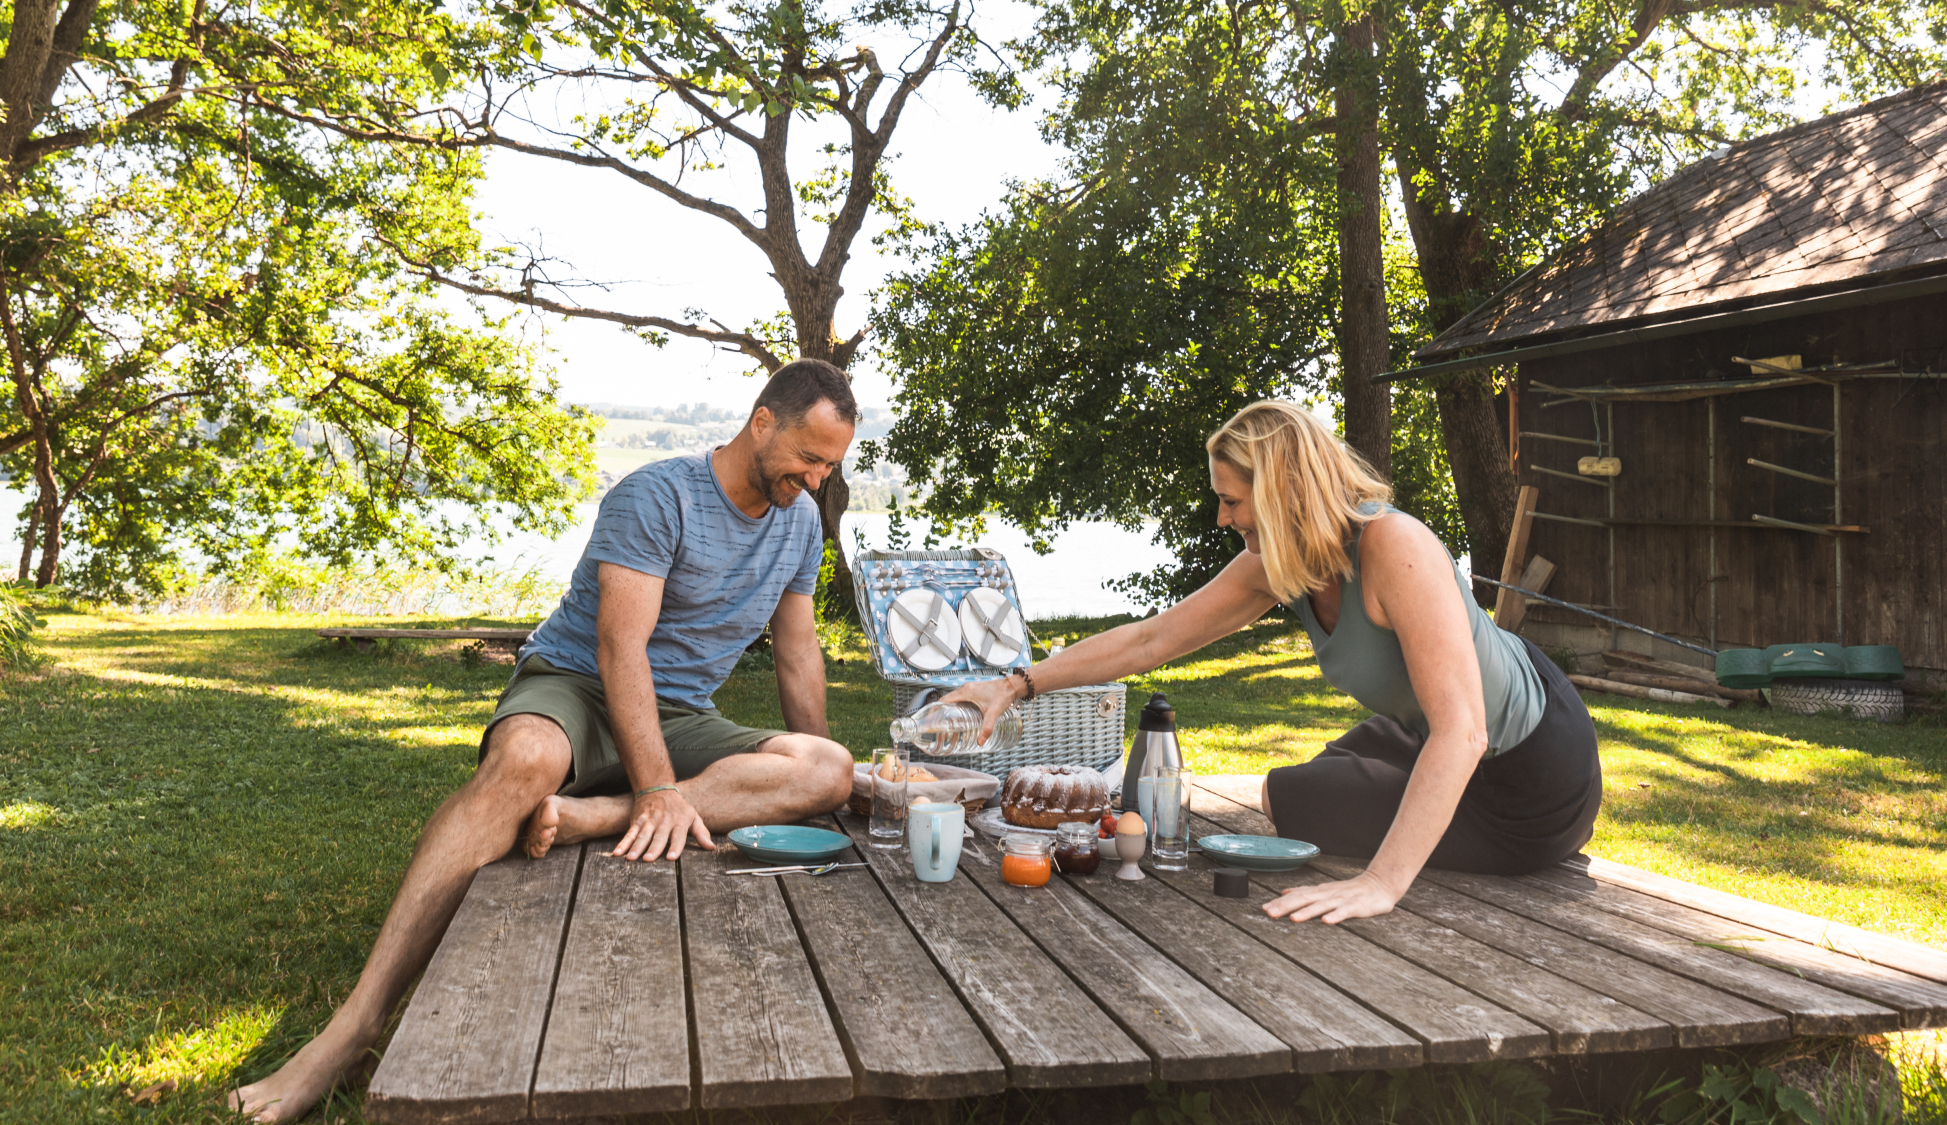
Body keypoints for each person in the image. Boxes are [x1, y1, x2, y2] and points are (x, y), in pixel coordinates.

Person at [230, 359, 860, 1122]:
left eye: (831, 465)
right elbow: (618, 650)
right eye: (809, 457)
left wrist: (832, 790)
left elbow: (797, 652)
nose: (818, 479)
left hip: (681, 710)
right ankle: (353, 1026)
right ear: (762, 422)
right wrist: (661, 792)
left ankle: (597, 814)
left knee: (828, 766)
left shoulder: (798, 525)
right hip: (575, 683)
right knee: (527, 760)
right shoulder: (657, 495)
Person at [946, 400, 1600, 926]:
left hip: (1531, 777)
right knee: (1293, 792)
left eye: (1232, 499)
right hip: (1432, 732)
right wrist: (1015, 684)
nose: (1223, 515)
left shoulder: (1393, 545)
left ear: (1285, 489)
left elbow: (1465, 730)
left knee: (1295, 800)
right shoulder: (1280, 567)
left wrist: (1379, 882)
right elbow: (1150, 640)